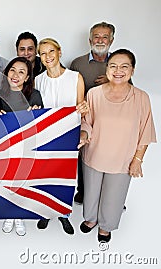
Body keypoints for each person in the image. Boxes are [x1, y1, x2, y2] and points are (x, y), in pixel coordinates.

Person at [78, 49, 156, 243]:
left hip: (123, 157)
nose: (118, 70)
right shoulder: (94, 93)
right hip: (94, 153)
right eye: (113, 66)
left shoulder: (141, 97)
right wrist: (84, 134)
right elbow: (87, 121)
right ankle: (90, 219)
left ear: (133, 70)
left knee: (114, 197)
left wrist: (138, 159)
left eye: (124, 66)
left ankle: (106, 226)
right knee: (91, 193)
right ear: (107, 69)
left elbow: (145, 131)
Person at [34, 38, 88, 235]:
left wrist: (83, 108)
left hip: (68, 134)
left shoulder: (75, 77)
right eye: (43, 53)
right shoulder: (38, 81)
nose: (47, 56)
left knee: (66, 177)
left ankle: (64, 214)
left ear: (59, 52)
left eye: (51, 51)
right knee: (44, 175)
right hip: (45, 136)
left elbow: (80, 107)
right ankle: (45, 212)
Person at [70, 22, 115, 204]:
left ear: (111, 40)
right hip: (85, 118)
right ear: (90, 39)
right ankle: (82, 191)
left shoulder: (117, 64)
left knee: (108, 155)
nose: (100, 40)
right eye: (97, 36)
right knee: (83, 154)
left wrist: (113, 80)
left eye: (105, 37)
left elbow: (130, 91)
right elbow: (70, 89)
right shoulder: (78, 63)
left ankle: (109, 194)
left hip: (110, 120)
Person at [0, 56, 43, 236]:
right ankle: (9, 213)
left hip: (26, 146)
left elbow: (42, 123)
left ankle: (19, 215)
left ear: (27, 78)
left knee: (23, 181)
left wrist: (37, 114)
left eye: (21, 72)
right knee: (7, 181)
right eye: (13, 70)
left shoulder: (35, 95)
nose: (16, 75)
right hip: (5, 148)